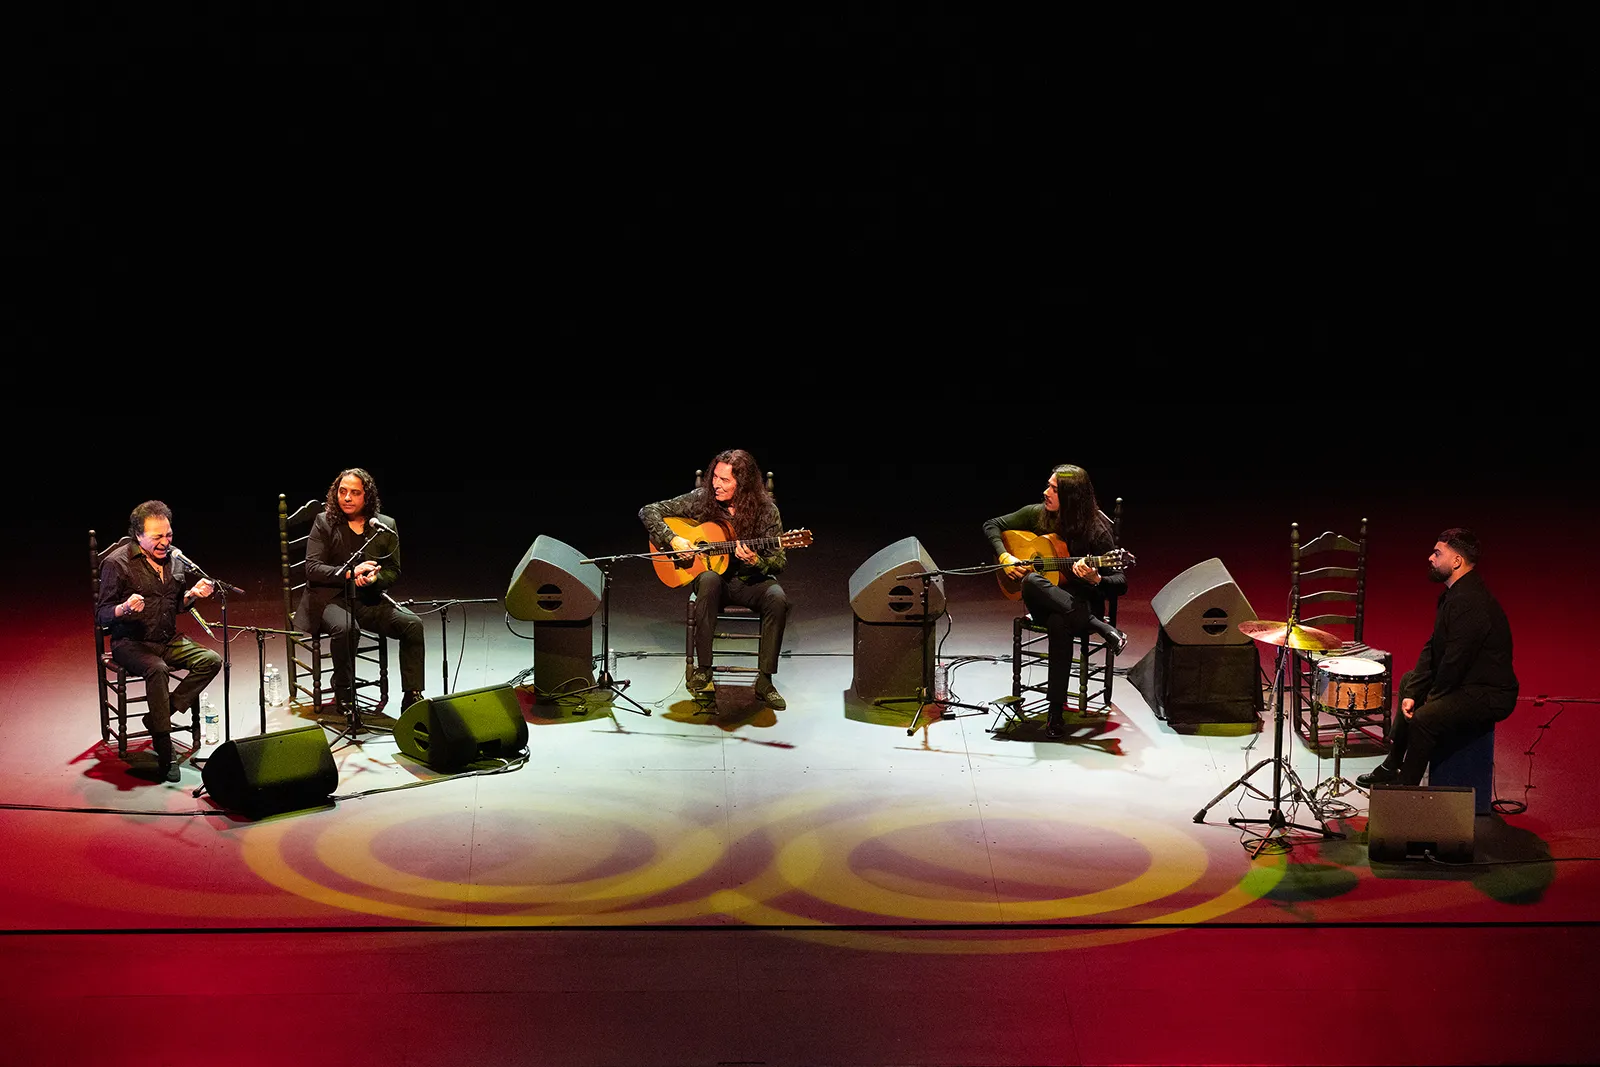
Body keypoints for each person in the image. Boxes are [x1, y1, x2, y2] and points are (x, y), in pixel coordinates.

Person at [1357, 528, 1517, 788]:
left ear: (1456, 561)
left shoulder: (1471, 601)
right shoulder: (1453, 594)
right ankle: (1391, 764)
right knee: (1410, 681)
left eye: (1437, 553)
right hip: (1467, 681)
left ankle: (1406, 788)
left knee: (1425, 718)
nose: (1430, 558)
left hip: (1488, 693)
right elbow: (1434, 647)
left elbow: (1456, 660)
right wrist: (1414, 693)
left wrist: (1429, 700)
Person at [984, 464, 1128, 739]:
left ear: (1072, 497)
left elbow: (1121, 583)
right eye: (1048, 485)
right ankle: (1102, 627)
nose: (1045, 492)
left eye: (1053, 489)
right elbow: (991, 525)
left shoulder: (1096, 532)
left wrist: (1096, 579)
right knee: (1031, 581)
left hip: (1079, 605)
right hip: (1045, 600)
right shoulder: (1039, 514)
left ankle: (1055, 712)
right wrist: (1005, 558)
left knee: (1059, 621)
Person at [640, 449, 792, 710]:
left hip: (749, 580)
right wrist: (673, 539)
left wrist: (757, 561)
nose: (716, 484)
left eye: (725, 480)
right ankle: (704, 669)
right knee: (709, 579)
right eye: (715, 477)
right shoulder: (703, 500)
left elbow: (779, 562)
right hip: (714, 582)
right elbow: (648, 511)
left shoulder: (766, 510)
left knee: (777, 598)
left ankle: (765, 681)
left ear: (742, 484)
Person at [95, 500, 222, 781]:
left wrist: (192, 595)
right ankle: (165, 752)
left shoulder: (175, 559)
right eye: (157, 537)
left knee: (211, 660)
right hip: (130, 642)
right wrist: (125, 608)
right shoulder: (117, 563)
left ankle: (157, 718)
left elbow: (174, 604)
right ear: (138, 536)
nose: (166, 542)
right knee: (157, 669)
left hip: (166, 638)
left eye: (169, 535)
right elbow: (102, 615)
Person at [295, 468, 426, 723]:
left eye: (355, 493)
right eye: (342, 491)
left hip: (367, 599)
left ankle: (412, 695)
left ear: (367, 496)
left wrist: (375, 578)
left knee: (412, 625)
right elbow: (312, 569)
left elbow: (393, 570)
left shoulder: (384, 526)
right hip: (329, 598)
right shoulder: (324, 522)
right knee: (346, 629)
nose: (347, 498)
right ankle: (343, 691)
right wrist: (349, 573)